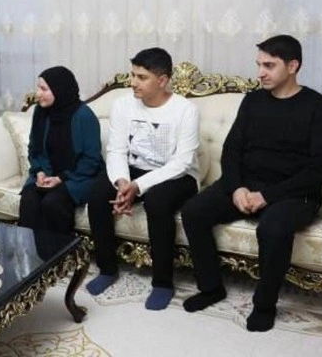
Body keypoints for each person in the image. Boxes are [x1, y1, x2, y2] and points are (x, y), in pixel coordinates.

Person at [181, 35, 322, 331]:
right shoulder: (253, 100)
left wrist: (266, 195)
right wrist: (237, 188)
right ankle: (211, 288)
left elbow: (320, 170)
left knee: (273, 228)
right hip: (246, 185)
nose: (261, 73)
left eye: (269, 65)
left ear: (293, 66)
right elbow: (232, 150)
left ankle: (264, 305)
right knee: (194, 211)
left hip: (294, 193)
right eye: (259, 65)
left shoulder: (319, 107)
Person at [85, 48, 200, 311]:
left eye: (142, 77)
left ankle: (163, 283)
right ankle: (107, 269)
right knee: (97, 194)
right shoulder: (122, 105)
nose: (133, 82)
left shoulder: (185, 110)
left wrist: (138, 187)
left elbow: (181, 162)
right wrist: (122, 183)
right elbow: (116, 151)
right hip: (134, 170)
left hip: (178, 175)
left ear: (162, 80)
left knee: (158, 203)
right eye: (133, 75)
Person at [18, 66, 103, 234]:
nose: (38, 94)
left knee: (53, 202)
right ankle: (28, 248)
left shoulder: (84, 116)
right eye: (38, 88)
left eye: (44, 89)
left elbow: (91, 160)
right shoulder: (40, 112)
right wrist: (39, 171)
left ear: (60, 90)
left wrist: (60, 178)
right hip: (46, 173)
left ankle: (59, 249)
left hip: (78, 177)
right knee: (29, 199)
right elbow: (34, 148)